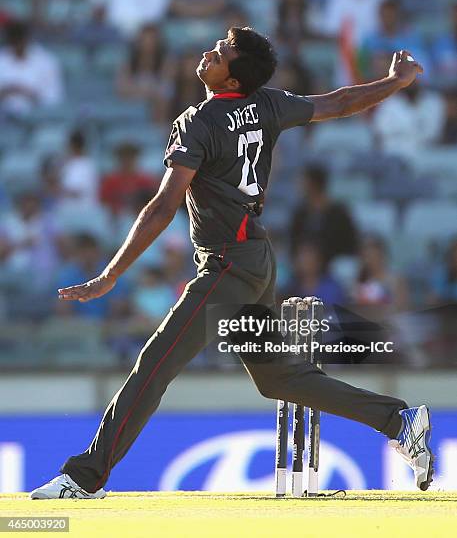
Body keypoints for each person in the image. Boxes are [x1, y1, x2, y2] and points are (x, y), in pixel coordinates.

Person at [31, 27, 433, 499]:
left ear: (234, 76)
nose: (208, 53)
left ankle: (84, 478)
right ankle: (400, 421)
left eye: (221, 52)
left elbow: (163, 205)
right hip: (254, 259)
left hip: (226, 264)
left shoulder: (197, 120)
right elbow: (340, 102)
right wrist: (395, 82)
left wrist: (111, 274)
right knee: (279, 378)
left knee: (154, 365)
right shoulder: (267, 104)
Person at [290, 164, 358, 264]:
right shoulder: (300, 214)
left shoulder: (339, 213)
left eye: (303, 182)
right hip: (305, 266)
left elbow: (350, 244)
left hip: (334, 265)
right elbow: (294, 243)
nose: (299, 186)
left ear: (313, 185)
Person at [0, 20, 64, 114]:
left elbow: (54, 97)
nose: (17, 45)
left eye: (20, 40)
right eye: (13, 41)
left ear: (28, 39)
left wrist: (30, 94)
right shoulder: (2, 57)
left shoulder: (47, 61)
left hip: (38, 116)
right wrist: (6, 92)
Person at [116, 24, 173, 123]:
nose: (148, 43)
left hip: (158, 107)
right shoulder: (129, 63)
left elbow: (166, 88)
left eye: (152, 39)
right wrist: (148, 91)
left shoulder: (166, 63)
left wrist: (139, 90)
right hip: (132, 105)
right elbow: (121, 89)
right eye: (145, 39)